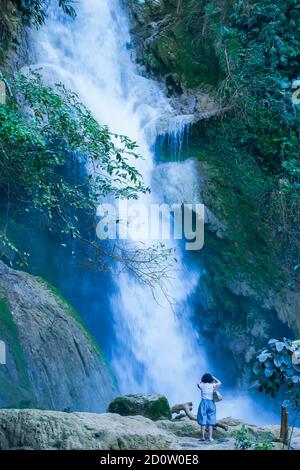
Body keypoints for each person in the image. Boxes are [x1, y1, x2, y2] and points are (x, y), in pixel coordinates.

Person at [197, 373, 222, 442]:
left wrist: (202, 380)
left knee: (203, 420)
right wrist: (214, 378)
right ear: (211, 379)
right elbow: (219, 383)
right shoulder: (212, 385)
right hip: (211, 403)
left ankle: (202, 437)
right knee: (211, 421)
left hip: (203, 403)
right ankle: (210, 438)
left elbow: (197, 383)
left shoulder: (201, 385)